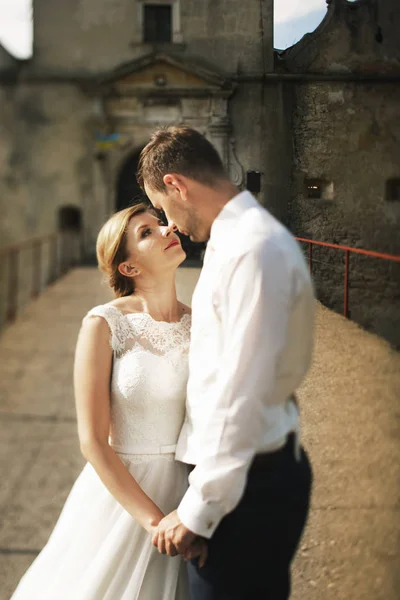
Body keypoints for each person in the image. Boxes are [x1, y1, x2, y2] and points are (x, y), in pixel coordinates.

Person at [137, 126, 315, 600]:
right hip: (250, 477)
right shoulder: (236, 239)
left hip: (248, 489)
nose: (168, 224)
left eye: (162, 208)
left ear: (176, 185)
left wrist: (198, 513)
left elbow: (241, 400)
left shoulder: (251, 250)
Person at [10, 201, 206, 600]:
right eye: (147, 233)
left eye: (160, 223)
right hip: (125, 497)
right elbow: (93, 442)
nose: (167, 229)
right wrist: (155, 524)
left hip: (190, 492)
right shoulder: (103, 324)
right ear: (129, 268)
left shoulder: (201, 322)